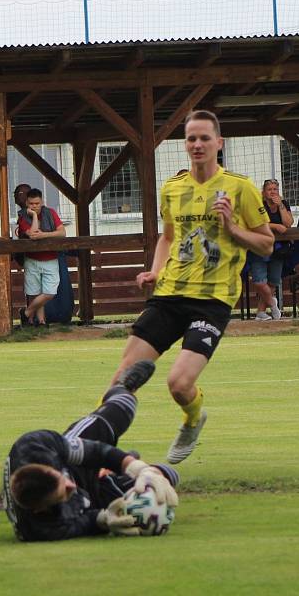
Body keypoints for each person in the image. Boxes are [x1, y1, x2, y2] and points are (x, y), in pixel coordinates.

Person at [111, 110, 273, 464]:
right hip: (169, 295)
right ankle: (99, 456)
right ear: (184, 144)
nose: (197, 144)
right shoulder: (173, 188)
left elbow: (266, 244)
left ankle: (193, 418)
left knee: (179, 385)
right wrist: (154, 272)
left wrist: (233, 228)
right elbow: (167, 237)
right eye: (191, 139)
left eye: (204, 138)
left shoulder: (239, 187)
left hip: (211, 301)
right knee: (122, 380)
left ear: (219, 142)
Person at [3, 361, 180, 541]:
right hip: (92, 497)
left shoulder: (34, 445)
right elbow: (83, 524)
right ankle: (112, 473)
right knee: (166, 479)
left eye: (61, 479)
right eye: (64, 492)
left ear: (48, 467)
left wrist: (137, 467)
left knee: (122, 406)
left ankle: (122, 386)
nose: (70, 486)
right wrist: (103, 520)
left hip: (74, 464)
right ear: (40, 509)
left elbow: (94, 451)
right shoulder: (40, 530)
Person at [16, 188, 66, 326]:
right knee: (34, 292)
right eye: (31, 203)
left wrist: (44, 235)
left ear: (42, 201)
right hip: (32, 259)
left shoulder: (51, 213)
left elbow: (62, 232)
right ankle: (39, 321)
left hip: (50, 258)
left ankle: (26, 313)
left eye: (37, 203)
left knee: (49, 293)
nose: (35, 206)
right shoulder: (22, 217)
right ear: (27, 203)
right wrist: (35, 217)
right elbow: (32, 234)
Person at [250, 179, 293, 321]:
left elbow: (288, 223)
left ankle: (261, 312)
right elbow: (258, 223)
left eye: (275, 189)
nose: (273, 192)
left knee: (273, 281)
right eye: (270, 189)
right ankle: (273, 304)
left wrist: (280, 205)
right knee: (259, 280)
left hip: (278, 248)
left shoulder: (283, 204)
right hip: (260, 246)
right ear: (263, 192)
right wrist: (275, 227)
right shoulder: (258, 204)